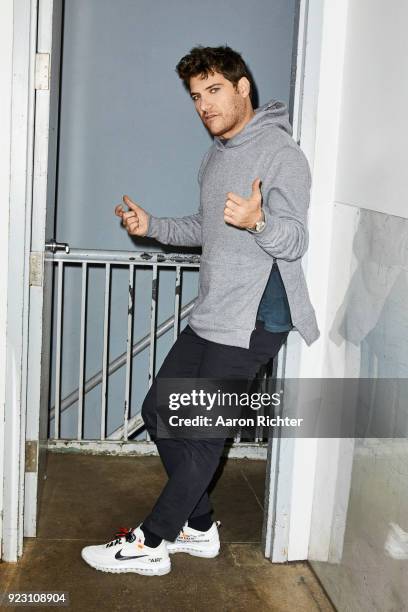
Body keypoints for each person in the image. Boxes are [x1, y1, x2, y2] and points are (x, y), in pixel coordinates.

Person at [81, 45, 319, 575]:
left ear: (242, 88)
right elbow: (205, 227)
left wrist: (258, 222)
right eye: (195, 96)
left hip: (256, 316)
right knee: (158, 410)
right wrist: (154, 227)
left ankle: (151, 541)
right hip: (214, 310)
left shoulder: (281, 154)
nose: (204, 105)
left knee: (204, 434)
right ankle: (200, 526)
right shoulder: (215, 155)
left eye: (214, 90)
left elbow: (295, 240)